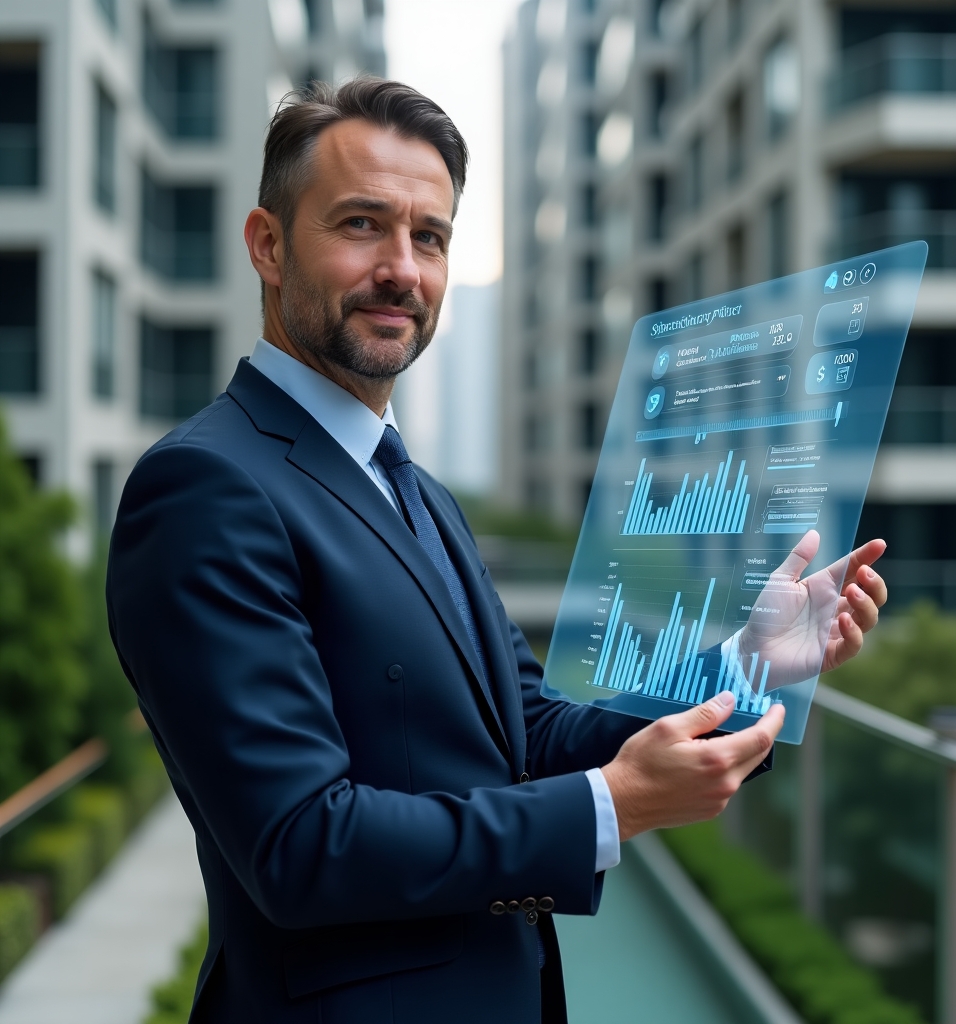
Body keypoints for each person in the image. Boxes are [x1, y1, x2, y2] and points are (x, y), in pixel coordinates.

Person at [106, 78, 888, 1024]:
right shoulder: (205, 488)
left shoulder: (415, 492)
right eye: (362, 225)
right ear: (268, 245)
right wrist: (610, 805)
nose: (403, 268)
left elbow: (528, 731)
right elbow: (301, 844)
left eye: (429, 237)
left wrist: (748, 667)